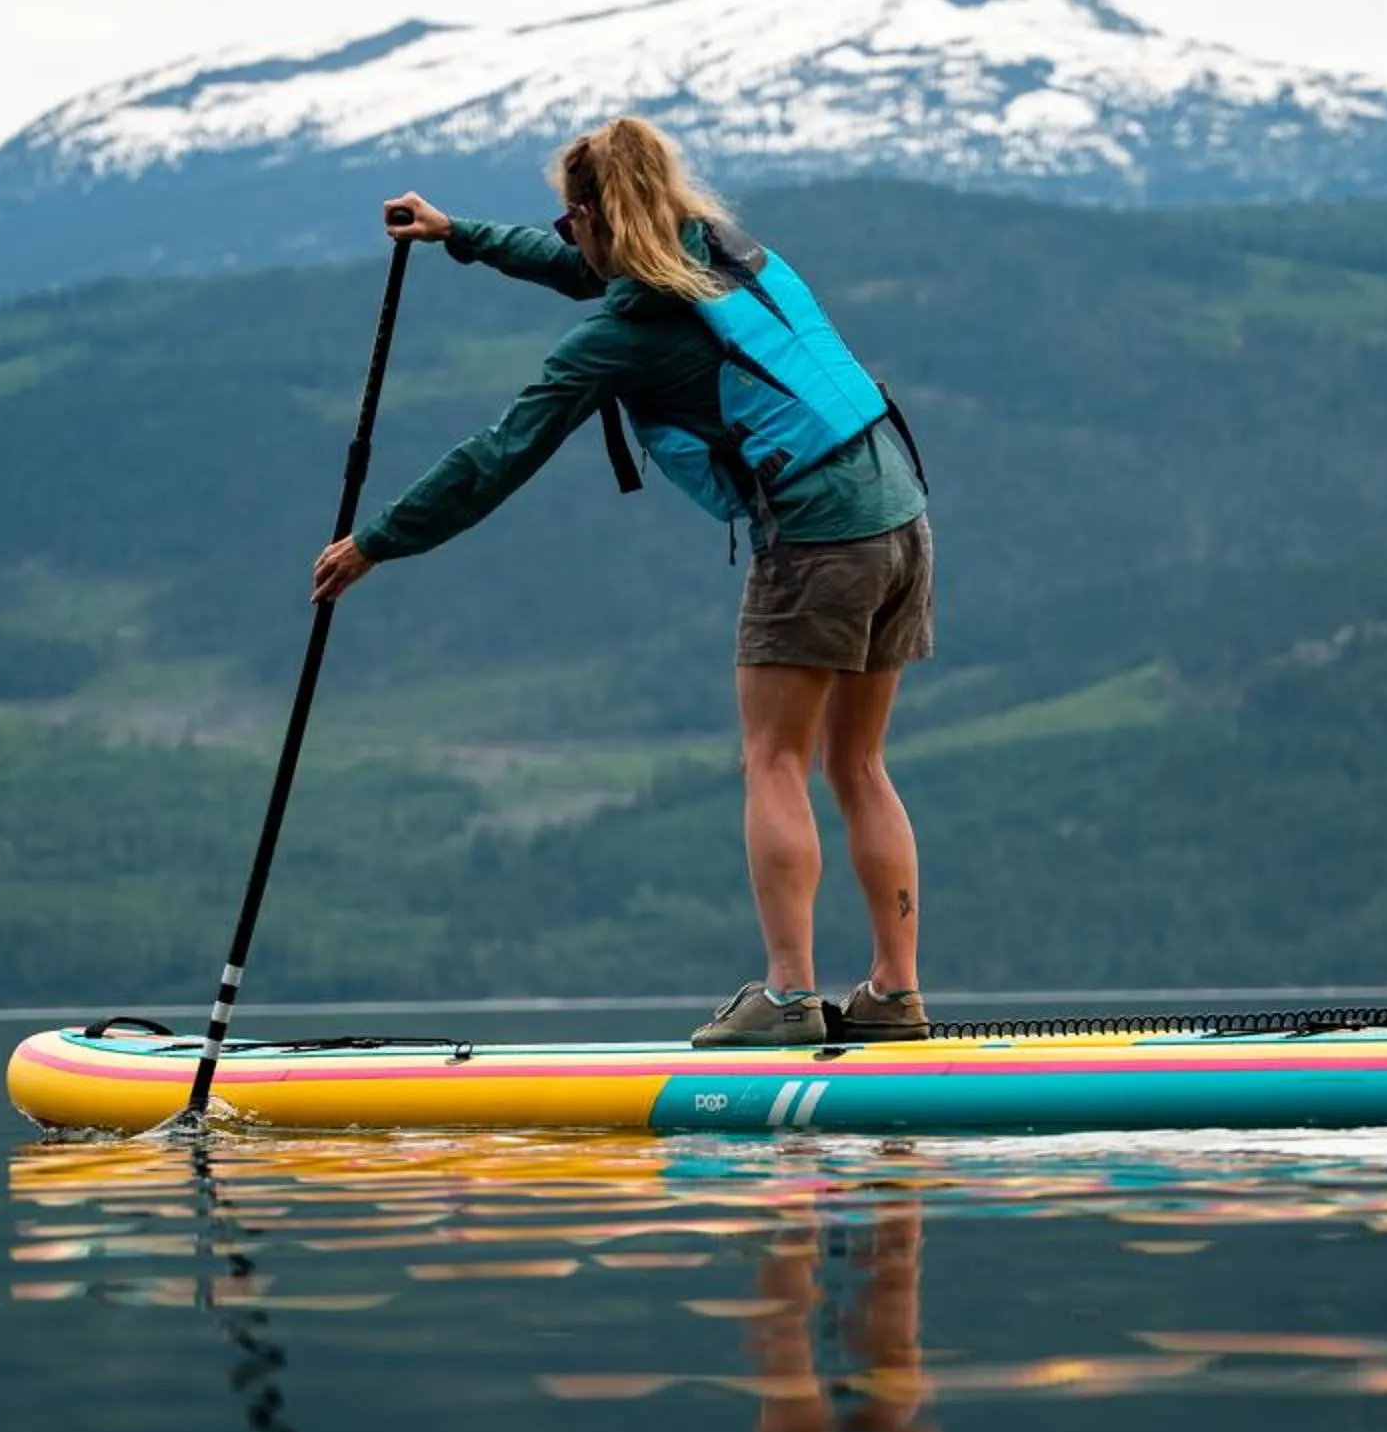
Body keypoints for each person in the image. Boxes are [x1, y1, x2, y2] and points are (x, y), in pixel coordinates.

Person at [307, 115, 932, 1049]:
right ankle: (893, 994)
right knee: (857, 765)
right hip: (902, 512)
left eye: (570, 224)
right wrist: (460, 236)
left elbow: (499, 455)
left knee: (772, 762)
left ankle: (791, 997)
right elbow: (590, 270)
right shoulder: (725, 249)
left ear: (597, 215)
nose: (570, 242)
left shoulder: (622, 338)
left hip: (815, 540)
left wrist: (377, 543)